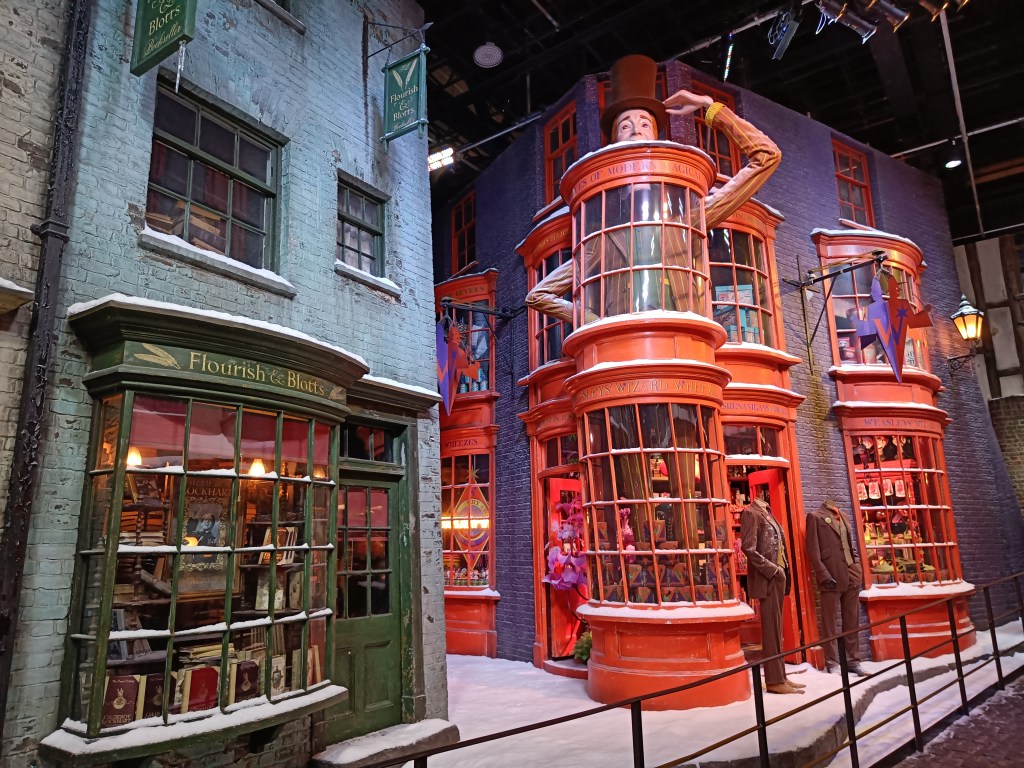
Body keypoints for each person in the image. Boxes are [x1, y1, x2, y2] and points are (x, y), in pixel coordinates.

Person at [526, 54, 781, 322]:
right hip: (624, 338)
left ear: (655, 138)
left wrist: (710, 106)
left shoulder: (687, 218)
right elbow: (538, 295)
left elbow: (767, 156)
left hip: (681, 328)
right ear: (615, 143)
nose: (635, 131)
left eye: (645, 124)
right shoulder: (605, 239)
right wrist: (595, 322)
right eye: (625, 126)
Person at [741, 496, 804, 694]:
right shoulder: (751, 513)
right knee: (771, 631)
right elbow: (748, 548)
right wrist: (773, 570)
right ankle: (774, 681)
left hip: (777, 578)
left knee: (777, 631)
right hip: (768, 579)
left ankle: (780, 676)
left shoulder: (768, 512)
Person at [805, 499, 865, 676]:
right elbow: (813, 550)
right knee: (829, 622)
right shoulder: (815, 517)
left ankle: (853, 660)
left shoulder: (844, 516)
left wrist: (857, 566)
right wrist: (823, 575)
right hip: (831, 575)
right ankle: (832, 662)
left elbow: (850, 545)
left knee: (852, 619)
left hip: (851, 573)